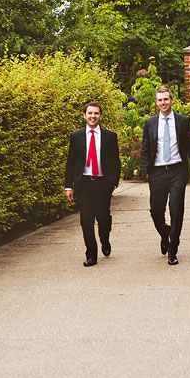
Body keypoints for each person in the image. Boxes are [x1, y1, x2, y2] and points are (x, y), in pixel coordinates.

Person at [140, 87, 190, 265]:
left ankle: (172, 250)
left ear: (172, 100)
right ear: (156, 102)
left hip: (177, 171)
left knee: (176, 210)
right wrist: (147, 170)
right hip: (158, 172)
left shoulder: (183, 121)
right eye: (160, 100)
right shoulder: (149, 123)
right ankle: (165, 233)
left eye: (166, 99)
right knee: (155, 211)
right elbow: (145, 149)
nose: (163, 103)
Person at [64, 100, 121, 267]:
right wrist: (68, 186)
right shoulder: (76, 136)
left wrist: (113, 182)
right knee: (86, 220)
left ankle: (105, 239)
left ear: (100, 116)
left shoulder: (110, 136)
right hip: (84, 184)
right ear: (84, 115)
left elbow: (115, 161)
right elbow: (71, 162)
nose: (93, 116)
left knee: (103, 218)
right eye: (90, 113)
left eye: (96, 113)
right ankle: (91, 254)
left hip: (103, 183)